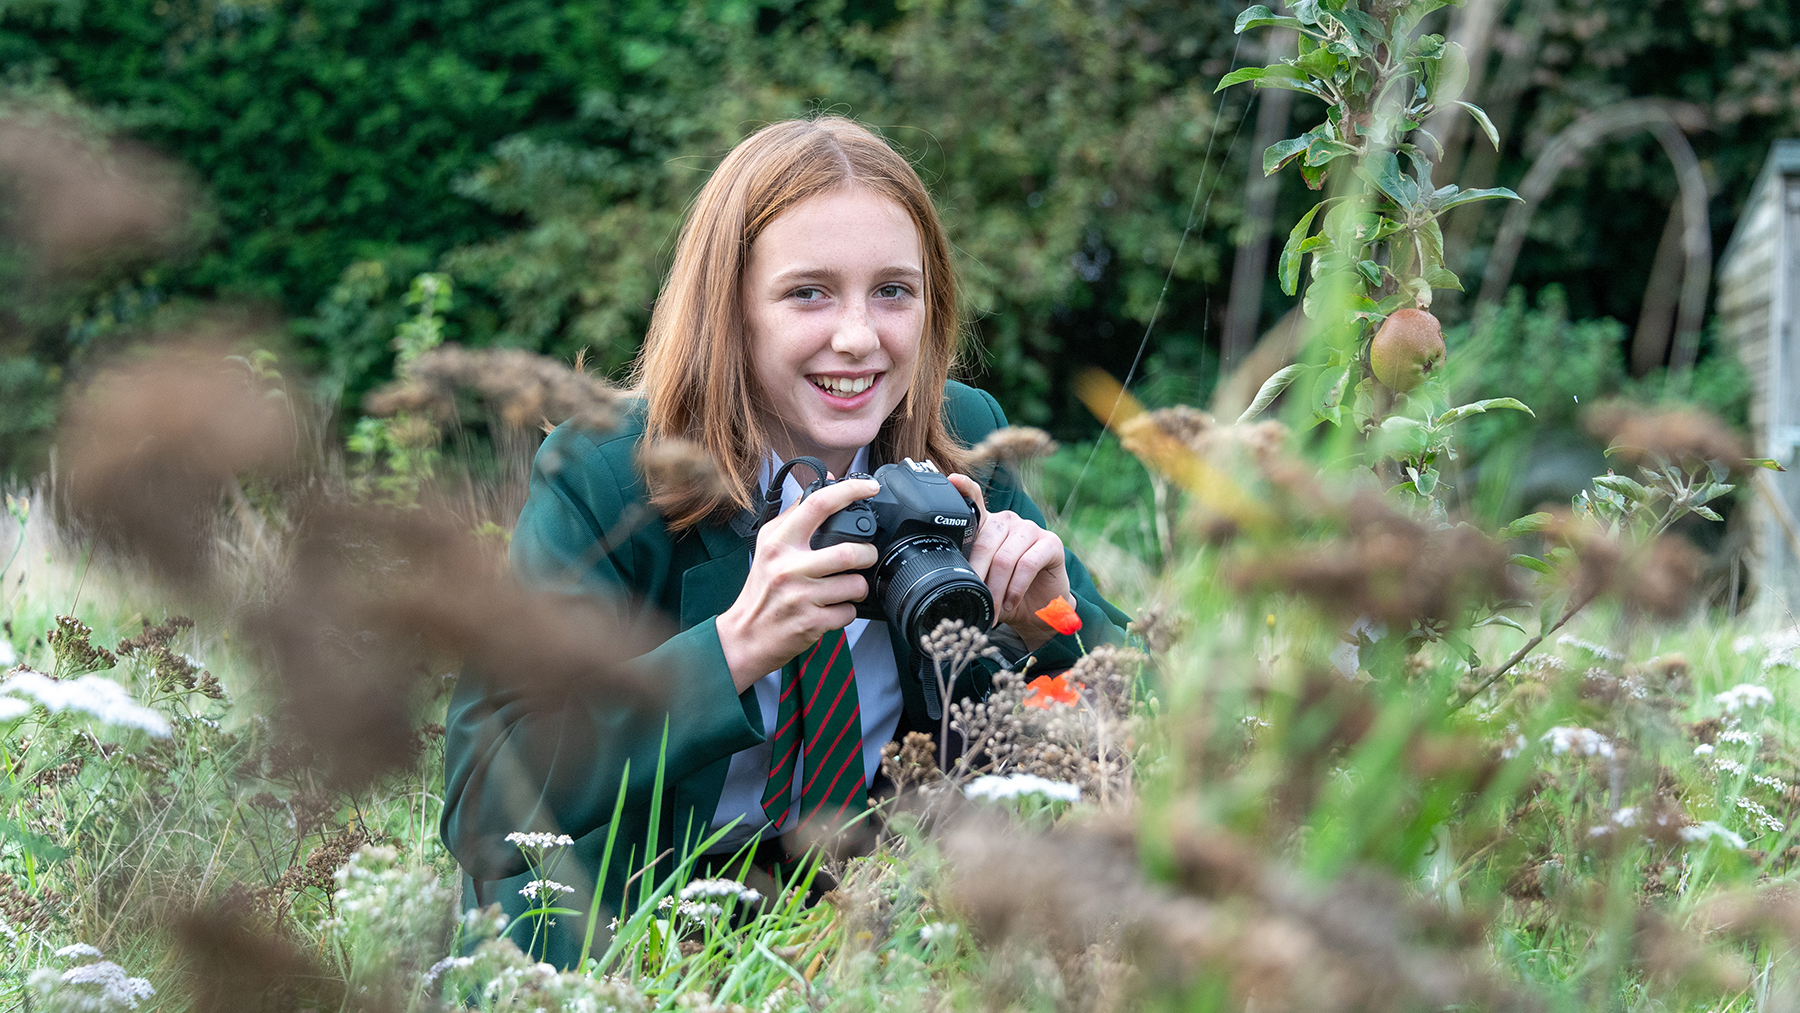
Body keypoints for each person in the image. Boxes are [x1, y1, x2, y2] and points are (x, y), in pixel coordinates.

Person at [440, 116, 1129, 967]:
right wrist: (733, 647)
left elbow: (1148, 724)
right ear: (731, 309)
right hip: (629, 913)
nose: (858, 337)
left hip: (872, 908)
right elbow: (483, 801)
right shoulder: (605, 478)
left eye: (893, 291)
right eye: (808, 292)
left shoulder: (961, 440)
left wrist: (1051, 625)